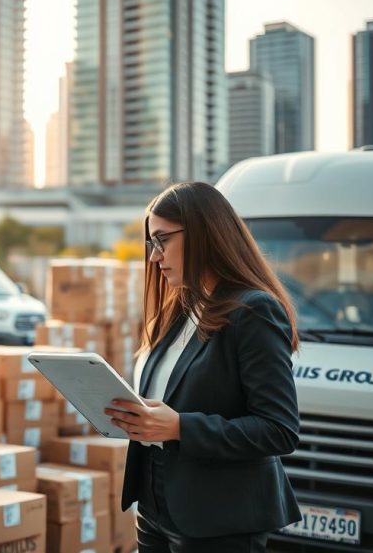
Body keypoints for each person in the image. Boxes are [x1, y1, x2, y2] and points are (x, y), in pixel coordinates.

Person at [105, 181, 302, 552]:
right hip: (154, 504)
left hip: (219, 518)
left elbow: (279, 429)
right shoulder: (180, 309)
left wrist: (180, 426)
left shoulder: (254, 311)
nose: (154, 256)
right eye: (151, 243)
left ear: (203, 234)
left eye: (163, 240)